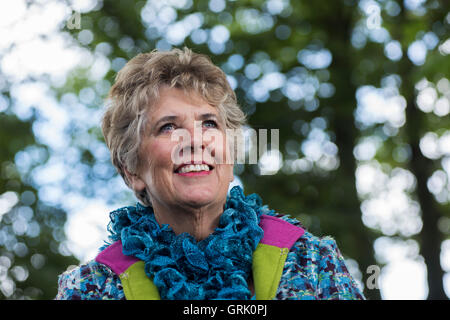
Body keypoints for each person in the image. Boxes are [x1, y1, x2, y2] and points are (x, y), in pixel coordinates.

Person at [55, 47, 364, 300]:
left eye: (209, 123)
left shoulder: (312, 262)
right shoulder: (91, 289)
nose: (195, 140)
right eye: (168, 126)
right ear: (132, 170)